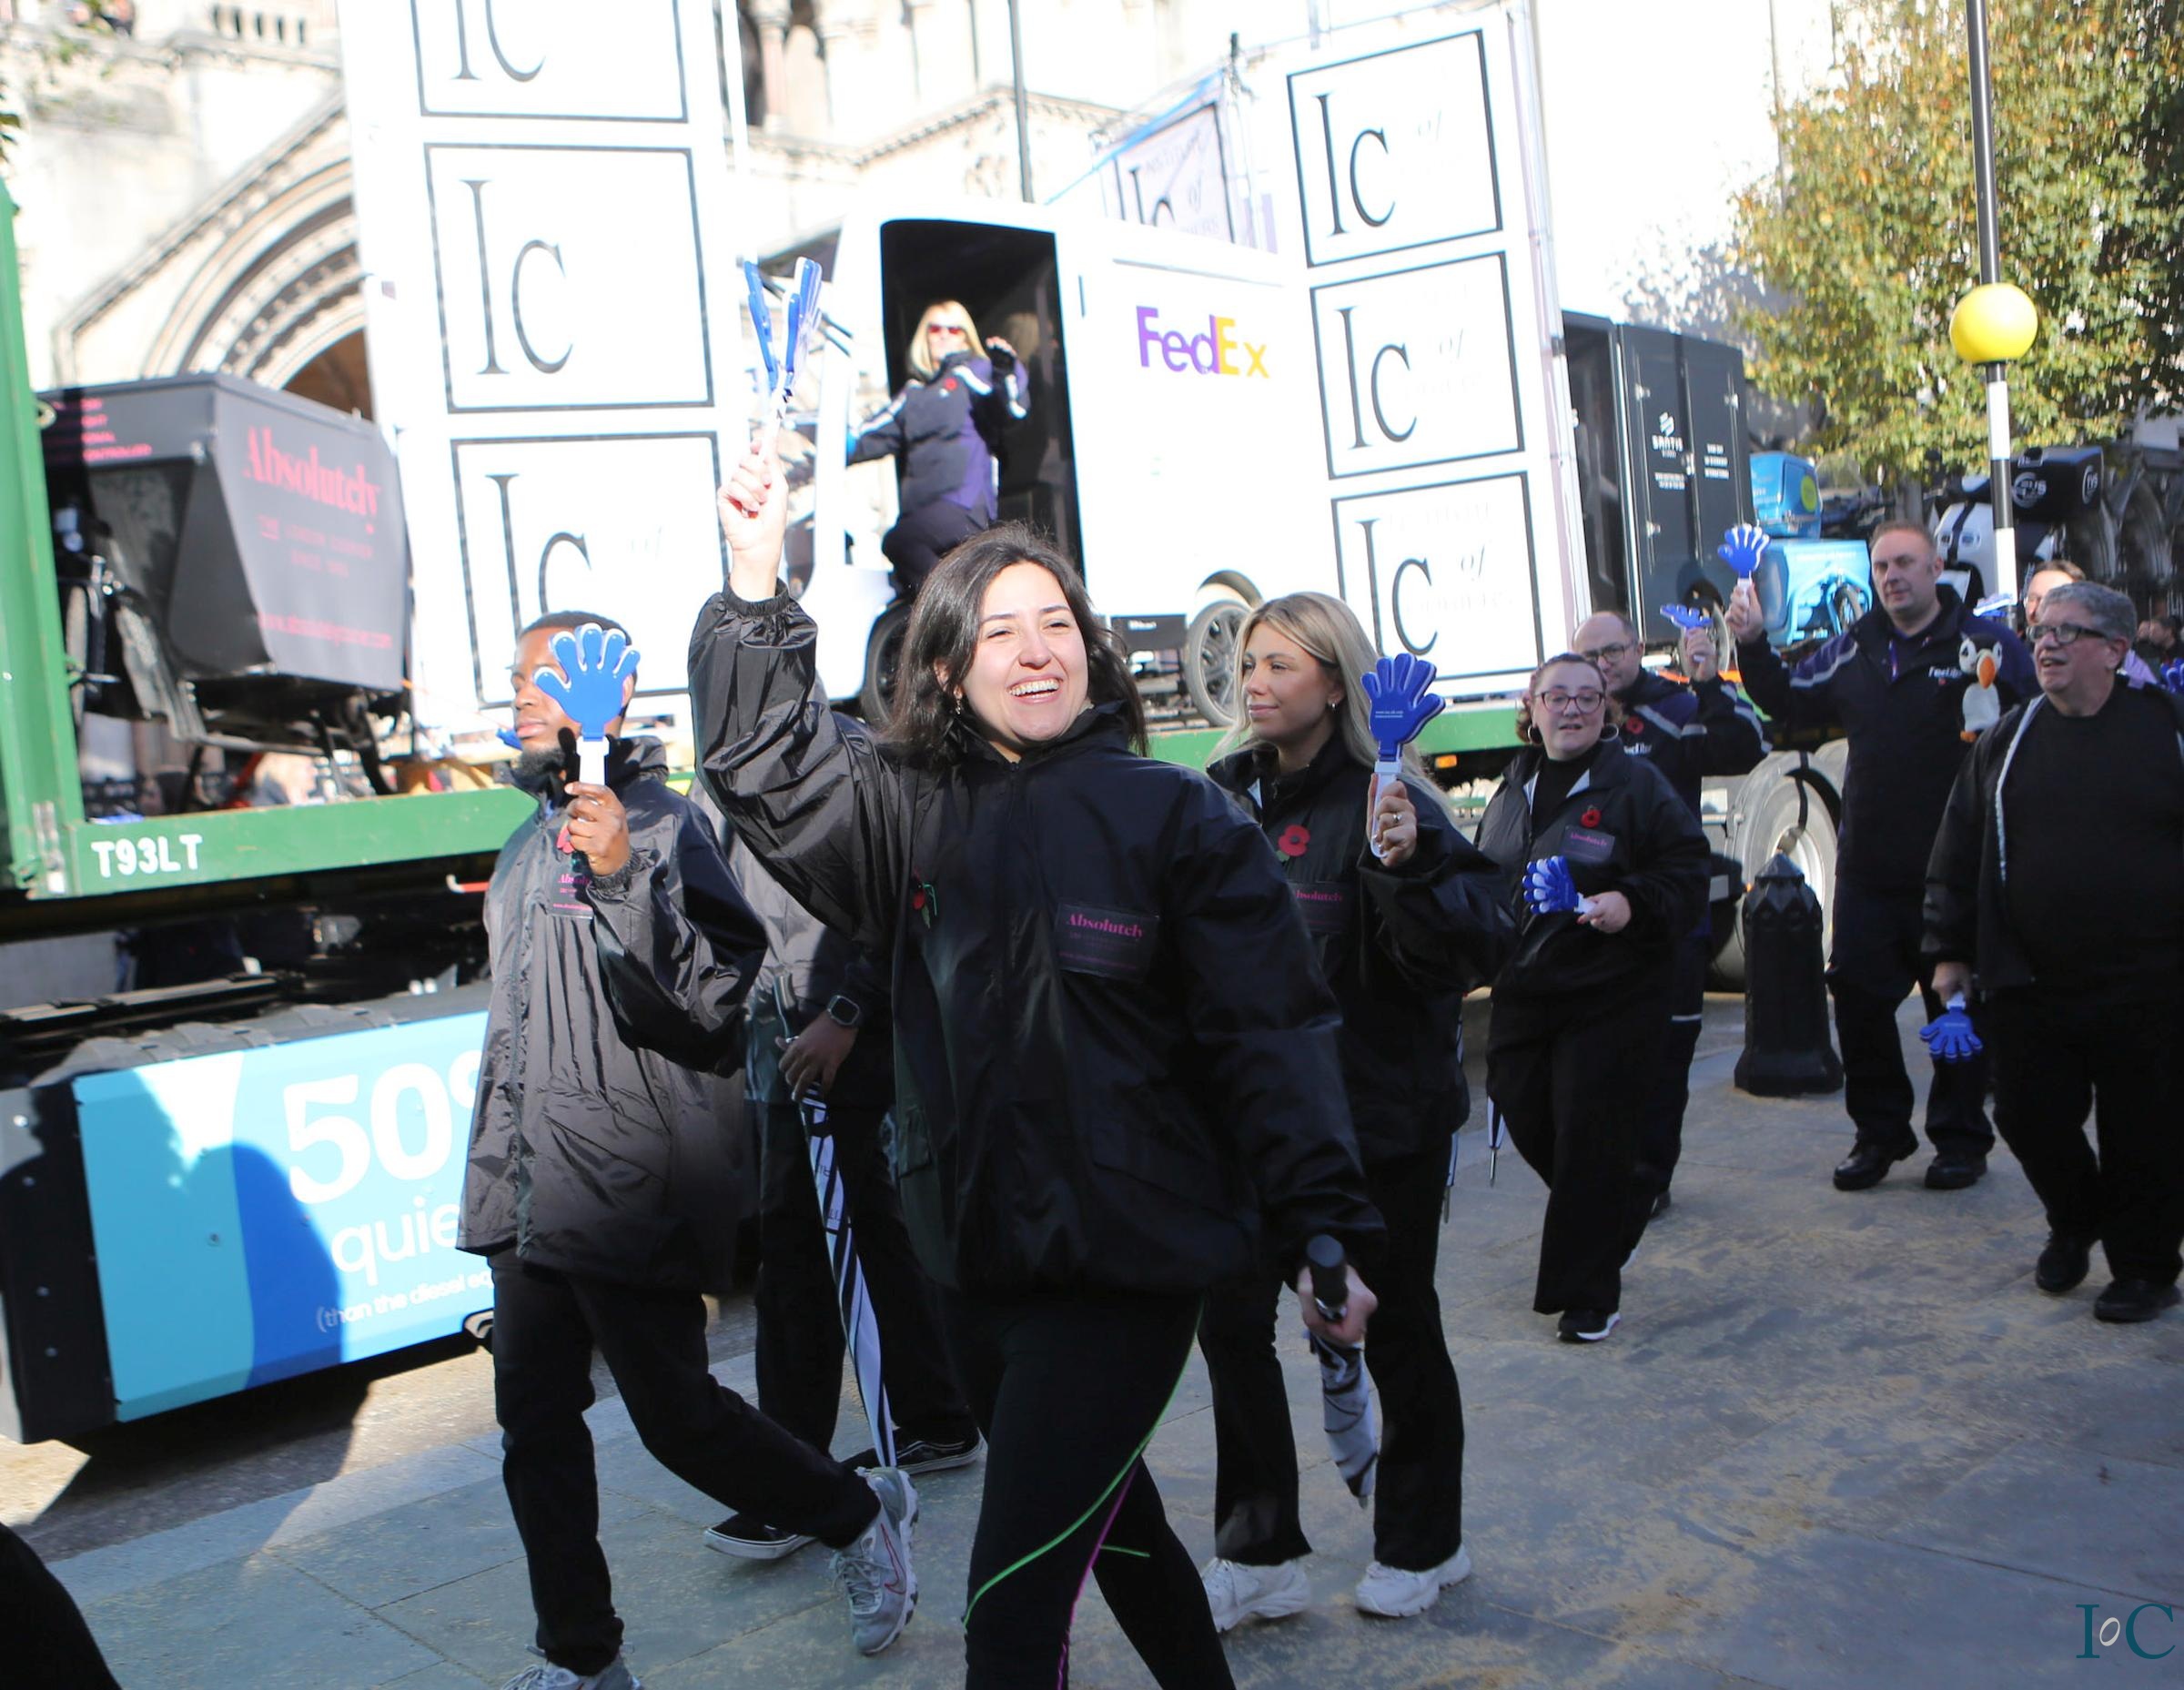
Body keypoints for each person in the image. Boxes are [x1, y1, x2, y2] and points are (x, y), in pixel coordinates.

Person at [692, 444, 1383, 1689]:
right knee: (1118, 1531)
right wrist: (753, 583)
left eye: (1055, 623)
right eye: (999, 631)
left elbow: (1271, 1037)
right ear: (946, 668)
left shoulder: (1177, 817)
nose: (1035, 652)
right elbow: (766, 767)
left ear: (1091, 648)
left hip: (1127, 1264)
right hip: (971, 1264)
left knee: (1009, 1615)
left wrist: (1321, 1225)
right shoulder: (904, 811)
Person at [458, 612, 919, 1689]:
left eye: (540, 677)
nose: (519, 696)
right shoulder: (525, 843)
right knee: (534, 1427)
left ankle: (855, 1512)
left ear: (605, 692)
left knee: (677, 1420)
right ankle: (582, 1656)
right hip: (527, 1187)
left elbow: (712, 1001)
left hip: (627, 1178)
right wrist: (493, 1178)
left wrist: (621, 873)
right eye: (515, 679)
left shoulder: (666, 828)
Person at [1197, 593, 1512, 1629]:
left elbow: (1466, 951)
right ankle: (1259, 1555)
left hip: (1375, 1123)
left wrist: (1409, 868)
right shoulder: (1222, 799)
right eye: (1249, 662)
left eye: (1280, 664)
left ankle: (1426, 1542)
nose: (1254, 681)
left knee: (1397, 1326)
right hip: (1249, 1127)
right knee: (1230, 1326)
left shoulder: (1392, 801)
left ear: (1336, 682)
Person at [702, 825, 983, 1563]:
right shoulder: (718, 784)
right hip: (785, 1028)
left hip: (825, 1030)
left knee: (798, 1250)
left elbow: (896, 889)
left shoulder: (830, 769)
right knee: (861, 1224)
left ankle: (794, 1481)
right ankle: (937, 1416)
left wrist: (850, 1008)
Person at [1728, 520, 2033, 1193]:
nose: (1891, 577)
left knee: (1955, 1008)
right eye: (1881, 567)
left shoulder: (1986, 644)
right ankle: (1880, 1132)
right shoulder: (1853, 647)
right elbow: (1786, 697)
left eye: (1904, 563)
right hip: (1869, 867)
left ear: (1936, 567)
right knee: (1859, 1001)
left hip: (1958, 868)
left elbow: (2037, 719)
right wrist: (1750, 642)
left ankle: (1960, 1139)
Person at [1925, 582, 2184, 1325]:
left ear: (2116, 650)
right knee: (2027, 1114)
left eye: (2070, 632)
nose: (2047, 643)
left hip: (2150, 981)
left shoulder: (2166, 729)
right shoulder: (2009, 739)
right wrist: (1948, 949)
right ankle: (2077, 1218)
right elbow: (1957, 847)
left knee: (2147, 1133)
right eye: (2041, 630)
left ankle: (2144, 1269)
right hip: (2031, 977)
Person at [1474, 653, 1710, 1343]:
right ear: (1533, 706)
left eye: (1587, 697)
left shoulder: (1636, 785)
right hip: (1525, 987)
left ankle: (1588, 1298)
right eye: (1558, 697)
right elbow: (1487, 876)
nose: (1572, 709)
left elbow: (1688, 871)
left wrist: (1628, 901)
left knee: (1587, 1136)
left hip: (1610, 990)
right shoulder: (1512, 786)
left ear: (1606, 708)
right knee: (1521, 1103)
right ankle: (1618, 1203)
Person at [1572, 608, 1765, 1217]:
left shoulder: (1674, 708)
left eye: (1612, 651)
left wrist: (1709, 683)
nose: (1602, 666)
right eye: (1589, 656)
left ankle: (1649, 1178)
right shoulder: (1574, 718)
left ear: (1637, 649)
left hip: (1670, 918)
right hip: (1596, 923)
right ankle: (1609, 1172)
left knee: (1664, 1057)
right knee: (1602, 1060)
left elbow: (1747, 744)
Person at [848, 299, 1027, 601]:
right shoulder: (913, 394)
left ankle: (955, 611)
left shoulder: (975, 371)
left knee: (899, 542)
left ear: (965, 337)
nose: (944, 335)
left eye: (954, 330)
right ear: (925, 336)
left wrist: (1004, 372)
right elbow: (866, 438)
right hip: (921, 514)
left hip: (963, 505)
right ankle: (956, 613)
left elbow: (1011, 409)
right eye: (935, 329)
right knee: (906, 581)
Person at [2023, 562, 2159, 685]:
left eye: (2053, 599)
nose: (2038, 609)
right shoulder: (2014, 656)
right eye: (2032, 599)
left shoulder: (2127, 667)